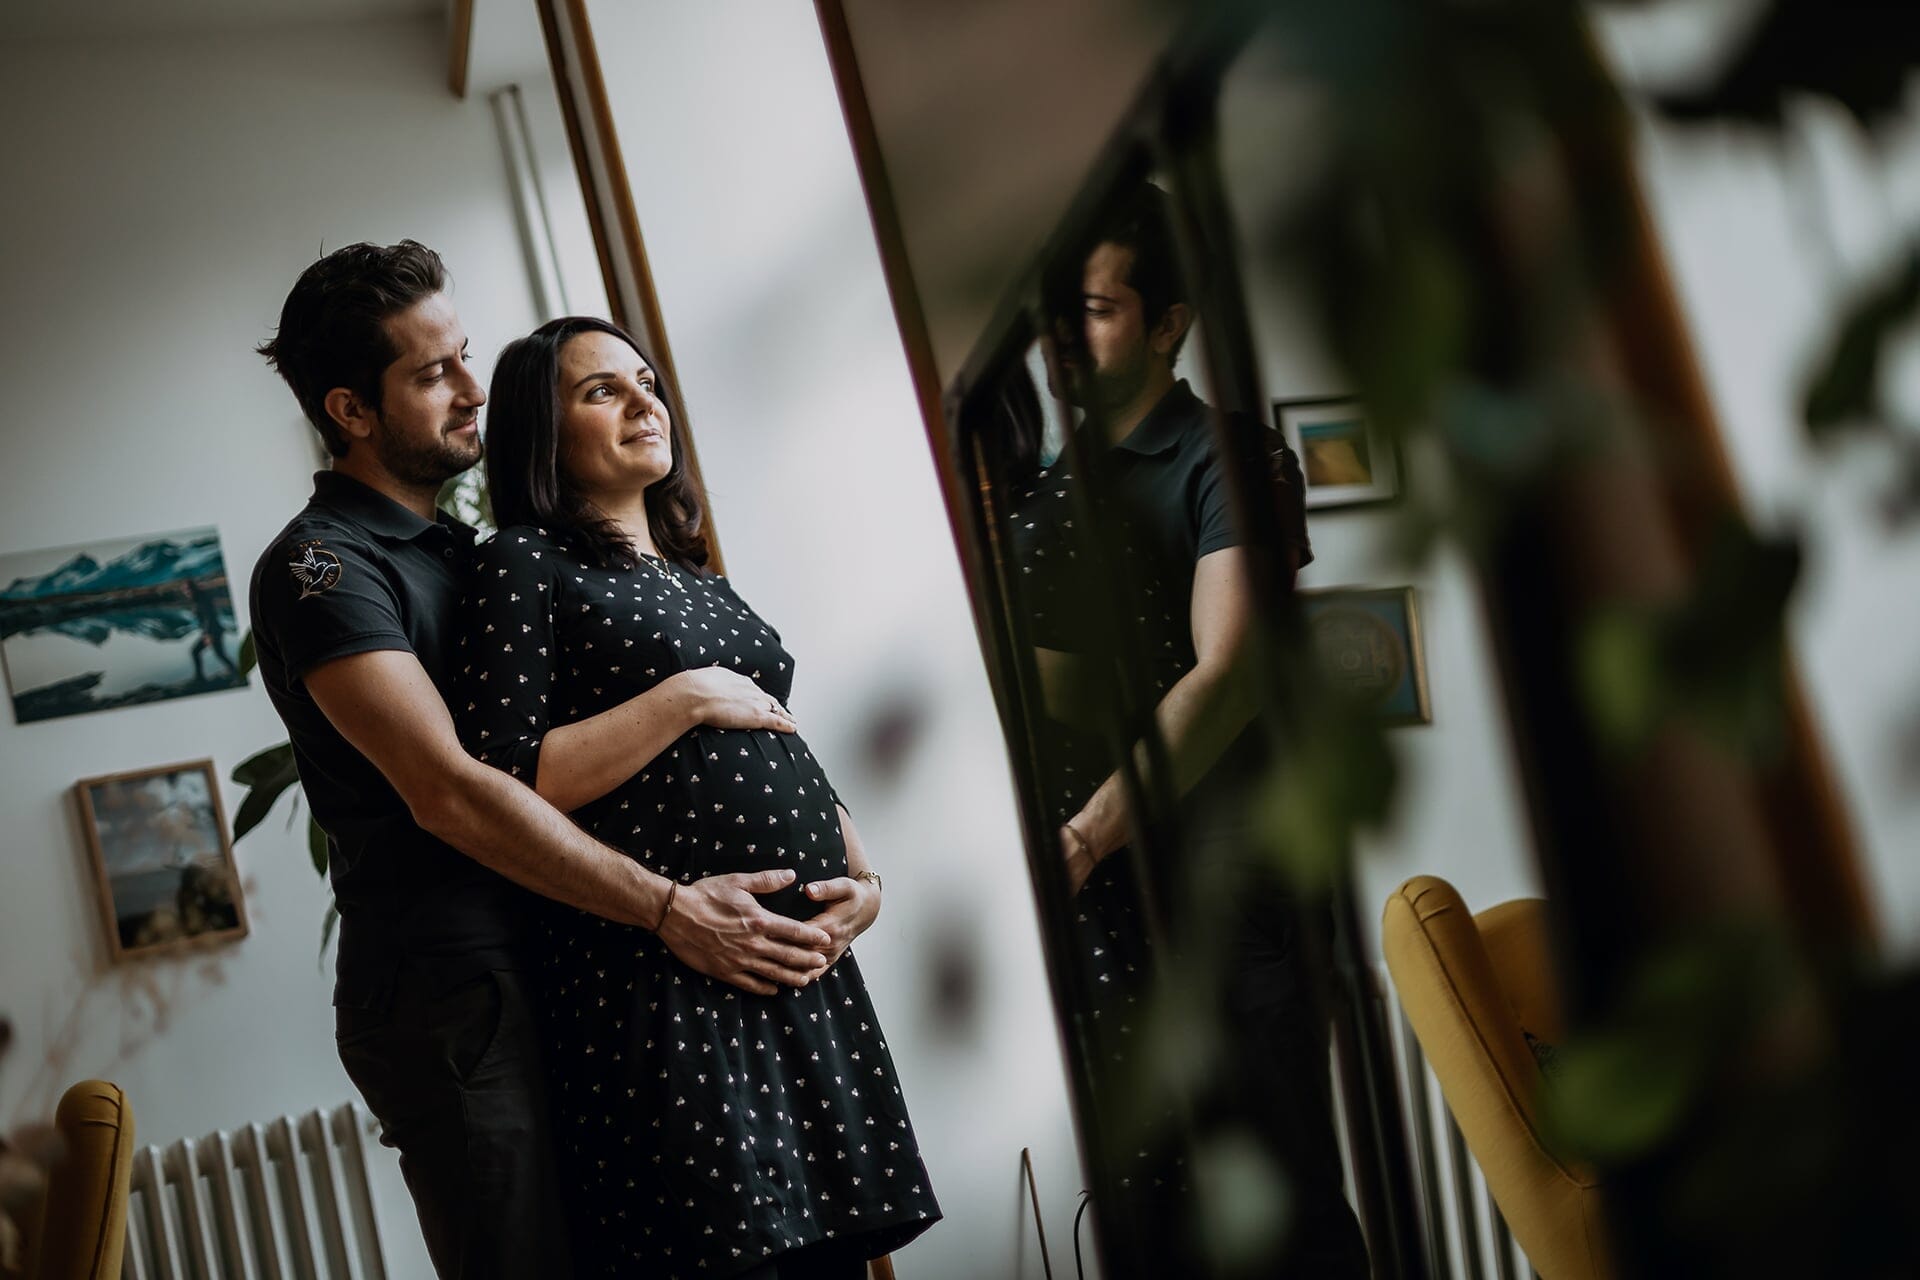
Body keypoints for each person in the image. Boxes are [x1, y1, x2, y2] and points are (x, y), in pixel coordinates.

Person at [249, 242, 836, 1279]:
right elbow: (448, 790)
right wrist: (667, 906)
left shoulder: (471, 552)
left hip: (570, 959)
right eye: (432, 374)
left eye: (465, 355)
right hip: (452, 992)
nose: (475, 389)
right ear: (350, 409)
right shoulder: (321, 566)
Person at [456, 315, 940, 1279]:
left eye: (647, 382)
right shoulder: (521, 562)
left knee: (833, 1256)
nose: (644, 402)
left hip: (798, 965)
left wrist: (864, 878)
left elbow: (779, 737)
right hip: (664, 976)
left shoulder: (698, 578)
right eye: (603, 391)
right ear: (540, 434)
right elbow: (502, 777)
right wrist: (680, 699)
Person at [1005, 183, 1369, 1276]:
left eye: (1100, 308)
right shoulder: (1048, 489)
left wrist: (1080, 838)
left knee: (1285, 1182)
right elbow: (1062, 693)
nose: (1065, 338)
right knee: (1163, 1208)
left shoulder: (1232, 458)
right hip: (1113, 890)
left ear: (1169, 324)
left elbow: (1228, 675)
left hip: (1227, 864)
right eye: (1057, 309)